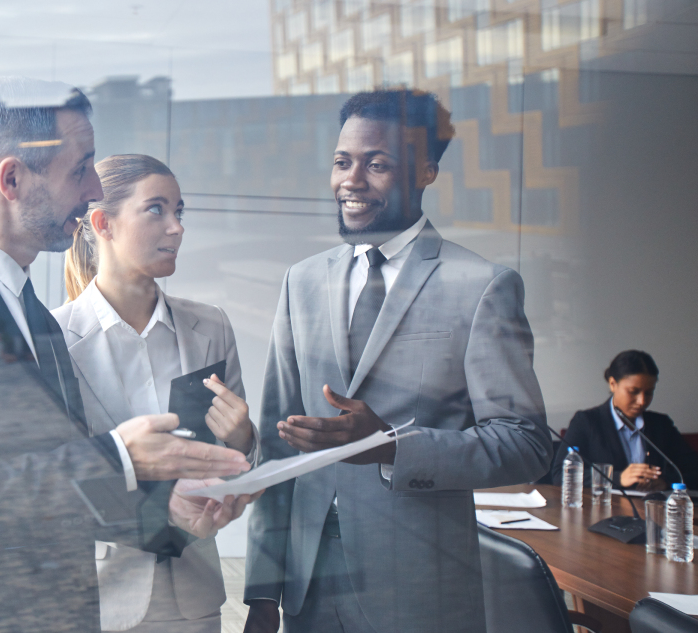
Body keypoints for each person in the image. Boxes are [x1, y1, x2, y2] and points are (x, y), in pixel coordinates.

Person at [0, 77, 254, 633]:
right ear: (11, 179)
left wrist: (169, 513)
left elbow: (51, 492)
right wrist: (120, 456)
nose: (91, 190)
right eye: (80, 169)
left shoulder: (35, 317)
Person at [243, 89, 551, 633]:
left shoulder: (482, 286)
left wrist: (390, 447)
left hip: (419, 592)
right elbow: (276, 442)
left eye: (377, 164)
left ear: (426, 171)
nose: (351, 181)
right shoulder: (302, 281)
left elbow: (525, 444)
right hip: (307, 587)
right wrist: (263, 593)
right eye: (342, 162)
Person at [51, 154, 259, 632]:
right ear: (103, 223)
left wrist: (244, 439)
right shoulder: (52, 339)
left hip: (193, 598)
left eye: (179, 212)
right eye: (157, 210)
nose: (177, 228)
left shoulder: (212, 326)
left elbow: (241, 460)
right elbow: (53, 480)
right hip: (95, 599)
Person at [553, 350, 698, 490]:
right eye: (633, 392)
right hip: (603, 510)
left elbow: (694, 471)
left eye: (649, 393)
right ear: (612, 384)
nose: (642, 401)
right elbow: (560, 476)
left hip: (650, 510)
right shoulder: (586, 421)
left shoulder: (661, 425)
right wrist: (618, 478)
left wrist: (666, 482)